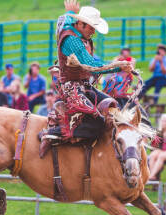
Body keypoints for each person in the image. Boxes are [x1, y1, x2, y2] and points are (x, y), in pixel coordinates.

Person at [39, 0, 132, 157]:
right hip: (71, 88)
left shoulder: (76, 30)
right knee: (97, 122)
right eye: (91, 27)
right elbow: (90, 65)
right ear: (80, 24)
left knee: (112, 107)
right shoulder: (71, 40)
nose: (93, 32)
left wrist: (70, 12)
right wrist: (118, 66)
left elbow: (64, 20)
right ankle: (54, 133)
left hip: (85, 86)